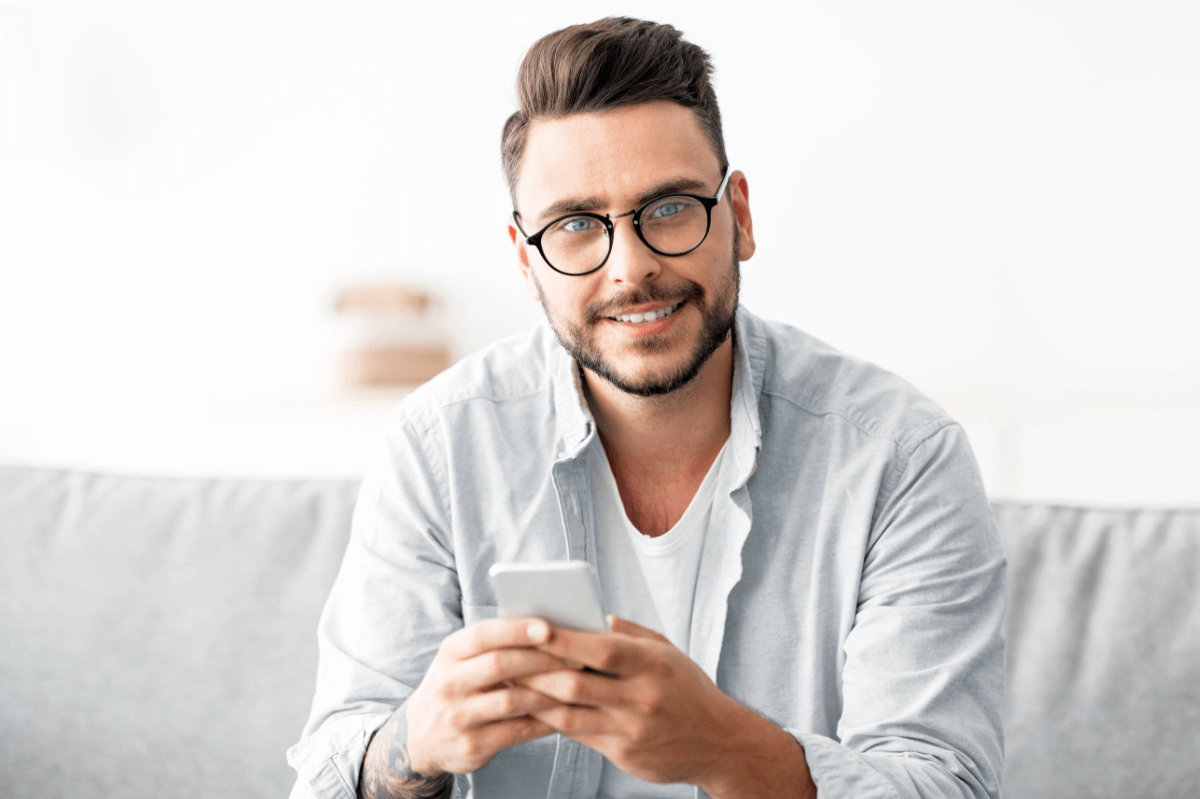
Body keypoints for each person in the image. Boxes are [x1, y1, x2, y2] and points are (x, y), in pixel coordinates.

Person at [288, 17, 1006, 799]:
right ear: (527, 261)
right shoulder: (439, 446)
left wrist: (726, 748)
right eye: (575, 226)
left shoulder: (901, 455)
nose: (630, 269)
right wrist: (414, 742)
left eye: (668, 209)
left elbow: (944, 785)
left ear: (740, 215)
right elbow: (329, 772)